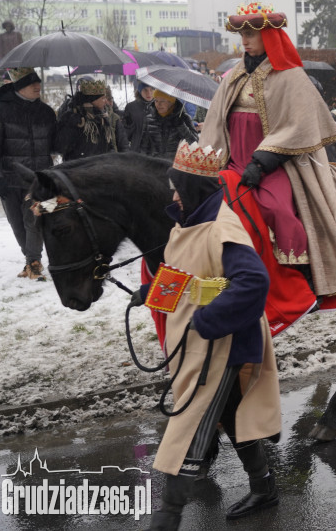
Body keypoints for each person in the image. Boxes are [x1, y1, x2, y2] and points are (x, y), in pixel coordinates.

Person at [144, 141, 280, 530]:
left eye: (177, 188)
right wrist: (150, 292)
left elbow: (253, 282)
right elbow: (185, 272)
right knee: (232, 413)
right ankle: (264, 486)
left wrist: (208, 320)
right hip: (205, 343)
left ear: (192, 189)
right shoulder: (189, 223)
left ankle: (167, 517)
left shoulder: (221, 227)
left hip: (222, 345)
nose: (172, 195)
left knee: (191, 422)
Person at [199, 2, 336, 298]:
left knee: (276, 208)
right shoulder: (236, 75)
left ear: (269, 36)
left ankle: (304, 280)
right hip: (234, 161)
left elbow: (297, 126)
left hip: (277, 164)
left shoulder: (290, 76)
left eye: (251, 34)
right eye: (242, 35)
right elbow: (216, 121)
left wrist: (262, 163)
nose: (245, 41)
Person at [0, 68, 55, 280]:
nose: (38, 86)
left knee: (33, 221)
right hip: (9, 179)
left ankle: (34, 263)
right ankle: (30, 261)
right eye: (31, 83)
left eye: (38, 82)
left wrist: (71, 120)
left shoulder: (45, 112)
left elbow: (58, 145)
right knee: (17, 224)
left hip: (37, 179)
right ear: (18, 87)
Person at [54, 79, 129, 161]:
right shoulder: (73, 117)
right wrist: (70, 125)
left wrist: (111, 161)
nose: (106, 101)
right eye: (103, 98)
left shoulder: (102, 118)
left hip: (100, 168)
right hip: (78, 169)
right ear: (93, 100)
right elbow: (60, 147)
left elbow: (109, 145)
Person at [138, 91, 199, 160]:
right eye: (156, 101)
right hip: (154, 165)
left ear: (171, 102)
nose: (158, 104)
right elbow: (143, 146)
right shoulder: (149, 118)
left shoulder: (184, 118)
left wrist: (181, 126)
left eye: (162, 101)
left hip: (175, 165)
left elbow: (194, 143)